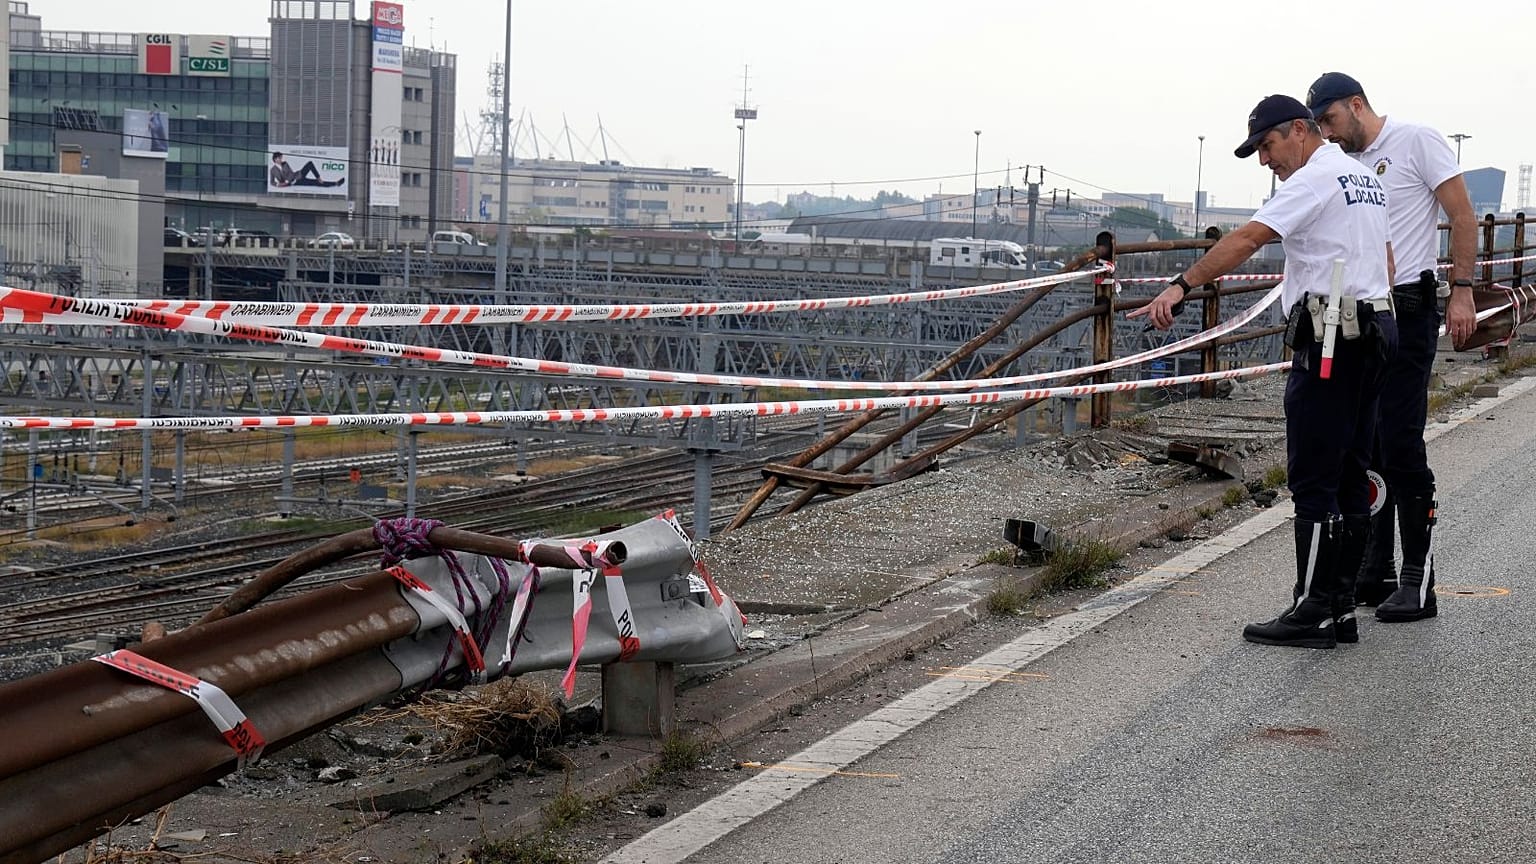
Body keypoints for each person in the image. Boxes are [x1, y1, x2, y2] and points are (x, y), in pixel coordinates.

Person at [1130, 94, 1398, 649]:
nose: (1264, 161)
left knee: (1314, 477)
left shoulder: (1314, 179)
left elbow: (1250, 238)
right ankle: (1340, 608)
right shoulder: (1361, 177)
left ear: (1300, 130)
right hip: (1374, 331)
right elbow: (1385, 256)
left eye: (1268, 146)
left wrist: (1182, 286)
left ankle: (1315, 610)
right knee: (1352, 474)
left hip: (1332, 338)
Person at [1306, 72, 1476, 624]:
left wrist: (1463, 292)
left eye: (1331, 120)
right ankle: (1374, 569)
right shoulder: (1347, 166)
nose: (1327, 134)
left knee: (1401, 441)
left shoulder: (1416, 140)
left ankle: (1418, 579)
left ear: (1357, 105)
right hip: (1369, 310)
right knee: (1368, 442)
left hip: (1413, 304)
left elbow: (1463, 215)